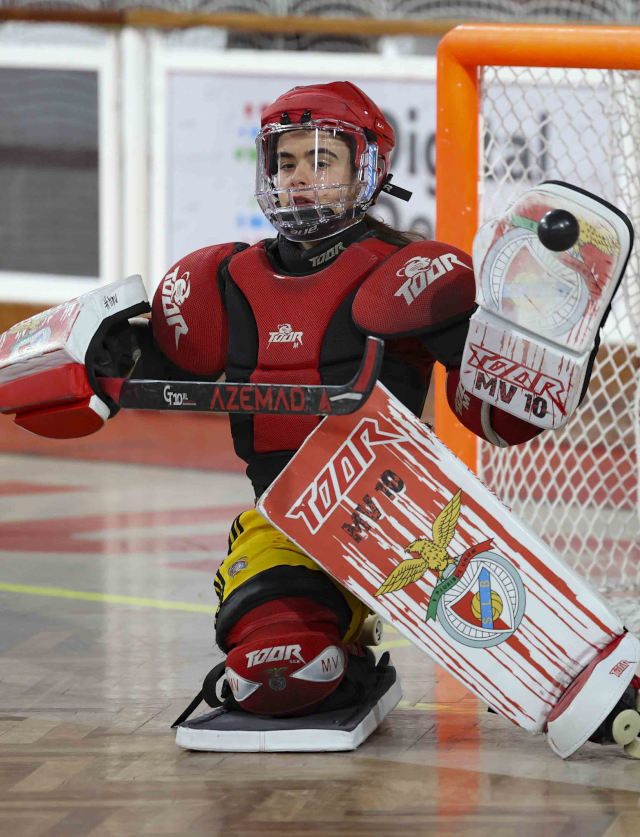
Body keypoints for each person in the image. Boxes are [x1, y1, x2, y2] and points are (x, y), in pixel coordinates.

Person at [1, 81, 636, 754]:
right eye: (287, 160)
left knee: (543, 653)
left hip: (406, 521)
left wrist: (533, 347)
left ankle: (602, 689)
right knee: (274, 671)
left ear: (368, 171)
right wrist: (87, 358)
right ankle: (333, 642)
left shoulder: (416, 273)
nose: (301, 177)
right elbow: (141, 364)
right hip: (283, 520)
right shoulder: (214, 283)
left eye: (323, 159)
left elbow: (500, 421)